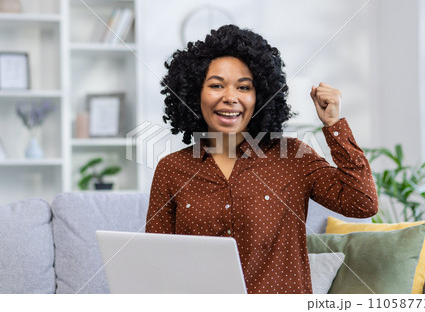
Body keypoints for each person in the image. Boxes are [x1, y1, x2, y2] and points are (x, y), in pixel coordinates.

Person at [145, 24, 378, 294]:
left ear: (261, 97)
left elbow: (363, 203)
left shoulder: (294, 156)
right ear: (194, 94)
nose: (230, 97)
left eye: (243, 87)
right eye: (216, 85)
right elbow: (157, 261)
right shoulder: (171, 169)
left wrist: (333, 125)